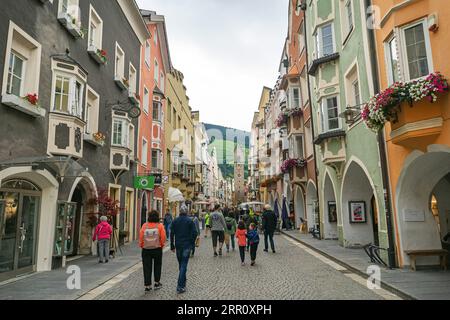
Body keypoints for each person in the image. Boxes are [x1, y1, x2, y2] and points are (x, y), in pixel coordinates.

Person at [170, 204, 198, 294]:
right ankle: (180, 286)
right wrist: (192, 242)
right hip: (186, 245)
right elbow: (195, 232)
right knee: (183, 265)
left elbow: (171, 234)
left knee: (181, 264)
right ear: (186, 212)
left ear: (180, 212)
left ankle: (183, 281)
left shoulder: (175, 221)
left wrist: (172, 245)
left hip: (178, 245)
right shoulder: (190, 221)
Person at [139, 210, 166, 292]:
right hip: (157, 248)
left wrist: (142, 245)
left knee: (147, 267)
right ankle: (157, 283)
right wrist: (161, 245)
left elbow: (141, 236)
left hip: (146, 249)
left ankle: (147, 285)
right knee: (157, 265)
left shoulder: (144, 226)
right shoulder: (160, 226)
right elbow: (163, 237)